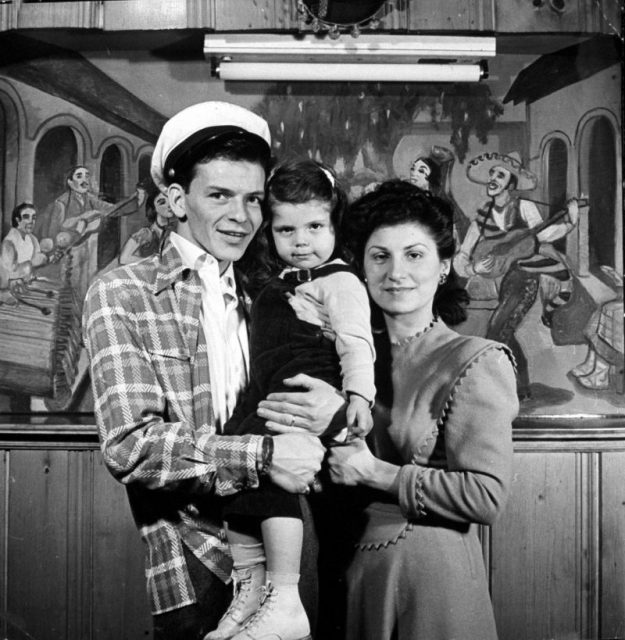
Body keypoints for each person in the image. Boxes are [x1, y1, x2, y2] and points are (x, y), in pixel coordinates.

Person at [82, 101, 343, 640]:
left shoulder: (269, 293)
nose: (242, 217)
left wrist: (331, 407)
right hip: (197, 560)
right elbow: (131, 445)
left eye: (253, 199)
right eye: (219, 195)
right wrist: (266, 456)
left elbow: (315, 390)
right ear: (176, 199)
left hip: (294, 544)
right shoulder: (122, 293)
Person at [261, 180, 519, 640]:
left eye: (415, 254)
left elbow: (485, 496)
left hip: (428, 581)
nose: (396, 272)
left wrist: (373, 472)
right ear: (359, 265)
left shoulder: (477, 359)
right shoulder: (336, 352)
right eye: (380, 256)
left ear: (444, 266)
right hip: (339, 570)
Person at [207, 160, 376, 640]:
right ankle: (251, 583)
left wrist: (358, 396)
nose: (302, 240)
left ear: (333, 226)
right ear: (271, 233)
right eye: (287, 229)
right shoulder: (280, 283)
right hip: (267, 391)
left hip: (305, 387)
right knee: (236, 462)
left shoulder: (339, 281)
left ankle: (284, 596)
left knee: (271, 470)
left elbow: (356, 342)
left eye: (315, 226)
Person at [453, 151, 579, 399]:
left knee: (498, 328)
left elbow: (545, 234)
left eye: (500, 175)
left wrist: (570, 223)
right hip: (506, 280)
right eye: (491, 174)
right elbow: (463, 255)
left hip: (527, 276)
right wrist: (471, 269)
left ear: (511, 184)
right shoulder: (483, 215)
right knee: (504, 329)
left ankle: (501, 386)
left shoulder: (525, 207)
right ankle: (520, 387)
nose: (493, 178)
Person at [118, 188, 176, 265]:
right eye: (162, 202)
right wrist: (153, 262)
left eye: (170, 201)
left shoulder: (174, 231)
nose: (169, 205)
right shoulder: (146, 233)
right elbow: (123, 258)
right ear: (154, 208)